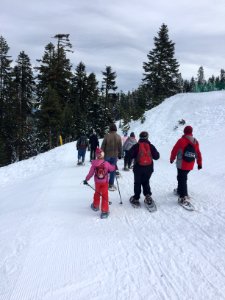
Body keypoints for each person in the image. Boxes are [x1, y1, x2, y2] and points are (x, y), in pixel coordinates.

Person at [170, 125, 202, 205]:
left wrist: (172, 158)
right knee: (181, 177)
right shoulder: (195, 141)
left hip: (181, 164)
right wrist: (199, 163)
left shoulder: (181, 140)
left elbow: (174, 150)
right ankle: (180, 190)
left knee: (182, 179)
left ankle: (183, 196)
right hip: (190, 164)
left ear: (184, 132)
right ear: (191, 132)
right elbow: (198, 153)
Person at [128, 131, 160, 206]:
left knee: (137, 183)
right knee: (146, 182)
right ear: (147, 137)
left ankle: (136, 198)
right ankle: (148, 196)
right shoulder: (151, 146)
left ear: (140, 137)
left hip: (138, 168)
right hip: (149, 168)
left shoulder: (136, 146)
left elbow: (129, 155)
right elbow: (157, 157)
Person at [83, 148, 116, 219]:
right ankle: (104, 211)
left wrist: (86, 179)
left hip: (97, 182)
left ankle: (96, 205)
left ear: (96, 156)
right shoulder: (106, 163)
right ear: (103, 155)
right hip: (105, 182)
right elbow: (112, 168)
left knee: (97, 193)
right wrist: (114, 166)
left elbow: (90, 173)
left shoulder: (94, 164)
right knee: (105, 195)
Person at [101, 123, 122, 191]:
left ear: (110, 129)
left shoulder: (107, 136)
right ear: (115, 129)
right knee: (112, 170)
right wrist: (120, 154)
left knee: (105, 169)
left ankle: (104, 182)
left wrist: (101, 154)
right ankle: (111, 184)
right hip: (114, 156)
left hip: (107, 155)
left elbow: (103, 145)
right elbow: (120, 147)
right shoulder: (118, 136)